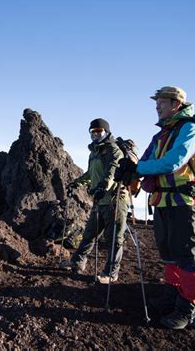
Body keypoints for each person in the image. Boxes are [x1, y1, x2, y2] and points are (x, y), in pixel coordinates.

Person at [114, 86, 195, 329]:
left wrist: (138, 169)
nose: (157, 106)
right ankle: (172, 297)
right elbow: (144, 161)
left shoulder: (190, 129)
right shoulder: (162, 134)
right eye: (157, 102)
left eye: (161, 102)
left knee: (187, 256)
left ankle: (189, 310)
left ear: (176, 104)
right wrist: (131, 168)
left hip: (183, 204)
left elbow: (172, 162)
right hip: (162, 203)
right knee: (168, 254)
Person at [60, 118, 129, 284]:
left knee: (114, 239)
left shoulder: (113, 149)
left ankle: (111, 273)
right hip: (99, 201)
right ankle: (77, 261)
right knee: (89, 234)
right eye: (93, 132)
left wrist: (102, 187)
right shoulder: (95, 152)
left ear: (106, 132)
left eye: (99, 131)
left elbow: (112, 172)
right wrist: (75, 183)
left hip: (115, 201)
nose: (96, 134)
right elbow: (91, 174)